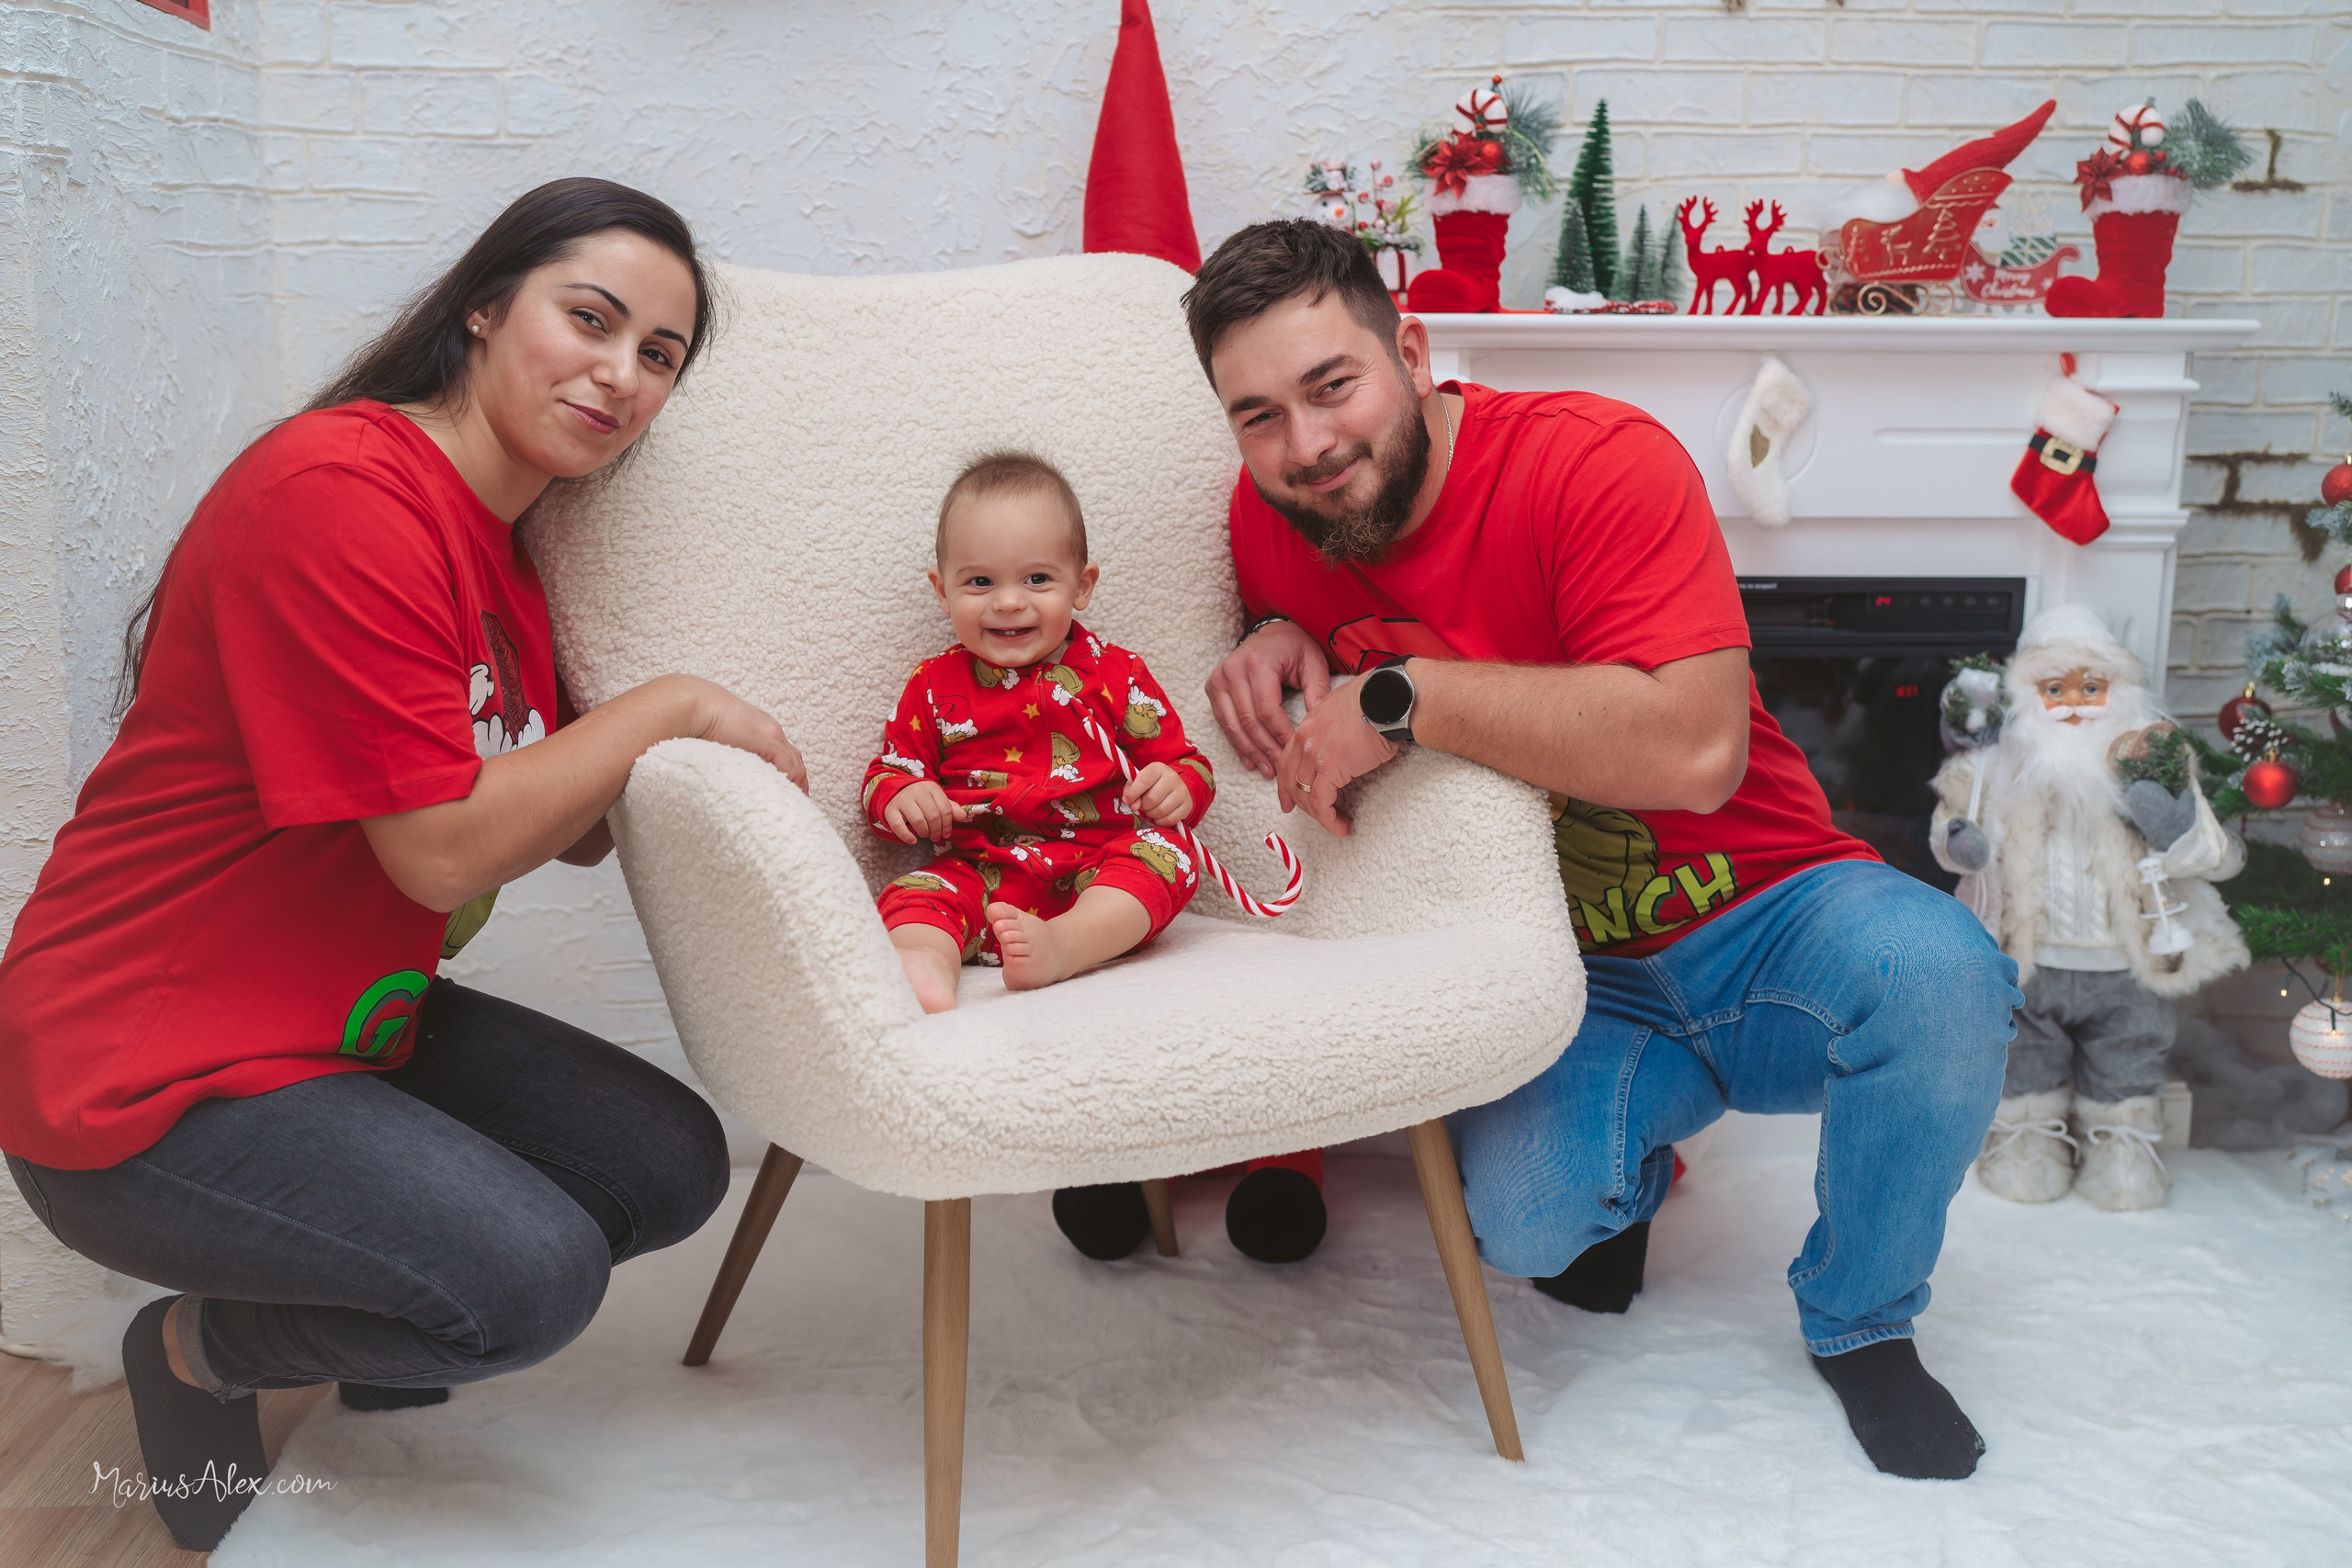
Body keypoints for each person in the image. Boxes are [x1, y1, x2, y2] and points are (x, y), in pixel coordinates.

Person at [0, 178, 805, 1551]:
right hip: (135, 1063)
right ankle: (197, 1349)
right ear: (486, 307)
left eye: (659, 355)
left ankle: (386, 1313)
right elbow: (442, 853)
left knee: (669, 1161)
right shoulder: (343, 492)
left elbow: (573, 818)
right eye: (591, 318)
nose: (620, 375)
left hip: (331, 1023)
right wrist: (665, 705)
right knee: (526, 1280)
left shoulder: (508, 554)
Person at [1184, 220, 2022, 1482]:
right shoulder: (1271, 515)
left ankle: (1864, 1319)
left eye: (1332, 385)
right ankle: (1632, 1164)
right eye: (1258, 415)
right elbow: (1293, 621)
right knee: (1523, 1227)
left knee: (1945, 971)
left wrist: (1404, 696)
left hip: (1774, 905)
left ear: (1410, 351)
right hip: (1577, 976)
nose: (1306, 444)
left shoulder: (1593, 460)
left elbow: (1698, 753)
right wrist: (1268, 636)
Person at [866, 450, 1216, 1007]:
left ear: (1081, 586)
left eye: (1037, 578)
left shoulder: (1115, 673)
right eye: (980, 581)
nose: (1008, 602)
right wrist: (903, 799)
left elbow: (1187, 764)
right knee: (911, 894)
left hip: (1098, 872)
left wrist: (1178, 789)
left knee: (1170, 853)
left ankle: (1067, 945)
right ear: (942, 591)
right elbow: (888, 775)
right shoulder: (933, 685)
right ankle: (924, 964)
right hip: (980, 875)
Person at [1930, 604, 2246, 1210]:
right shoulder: (1990, 769)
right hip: (2031, 960)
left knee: (2130, 1054)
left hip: (2126, 965)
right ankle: (2026, 1136)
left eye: (2092, 687)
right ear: (2026, 695)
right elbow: (1952, 834)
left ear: (2118, 692)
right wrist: (1961, 845)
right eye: (2054, 688)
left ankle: (2120, 1143)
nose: (2075, 703)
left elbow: (2216, 854)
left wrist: (2170, 822)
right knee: (2024, 1053)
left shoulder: (2152, 757)